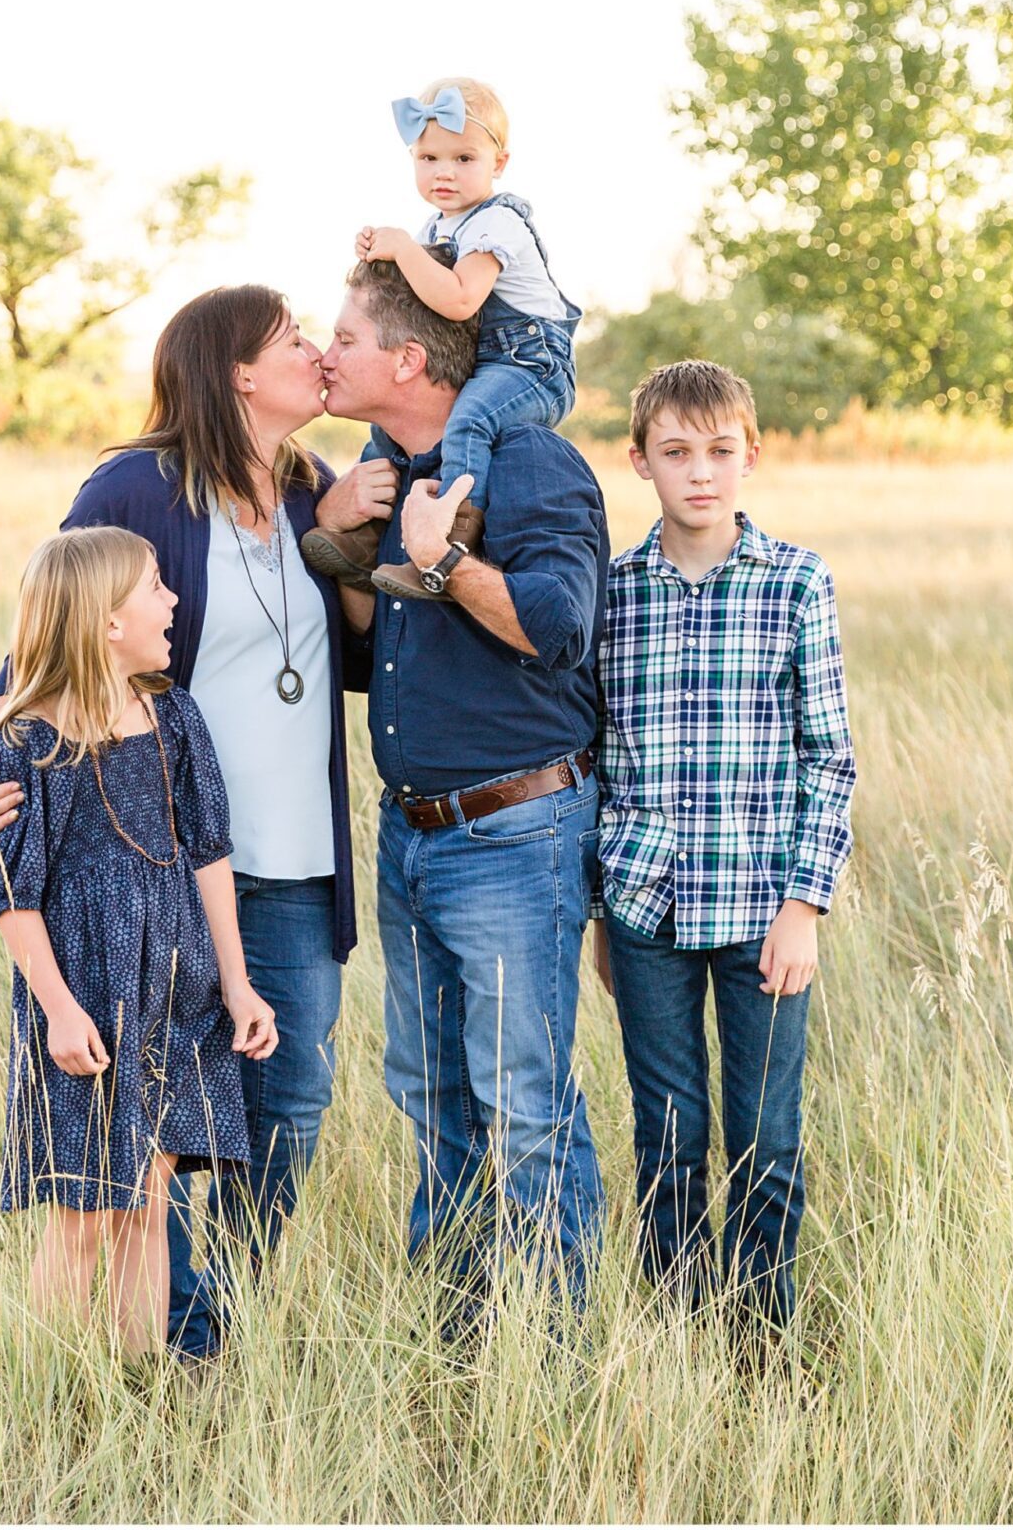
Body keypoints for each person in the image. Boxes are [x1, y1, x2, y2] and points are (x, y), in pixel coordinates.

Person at [0, 286, 391, 1360]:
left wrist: (348, 549)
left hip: (287, 852)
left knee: (290, 1094)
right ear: (238, 370)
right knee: (155, 1114)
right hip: (152, 864)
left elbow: (354, 662)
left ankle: (217, 1309)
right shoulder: (139, 485)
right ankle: (173, 1336)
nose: (314, 352)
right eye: (294, 337)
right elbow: (46, 635)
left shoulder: (311, 491)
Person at [316, 255, 609, 1327]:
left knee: (524, 1100)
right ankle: (452, 1329)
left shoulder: (529, 463)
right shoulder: (383, 463)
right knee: (429, 1091)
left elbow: (553, 626)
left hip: (513, 828)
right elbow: (372, 660)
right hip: (411, 833)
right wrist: (351, 555)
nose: (324, 353)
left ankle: (558, 1347)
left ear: (405, 355)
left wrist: (439, 561)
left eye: (341, 336)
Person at [590, 359, 856, 1341]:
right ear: (639, 461)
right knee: (667, 1132)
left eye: (719, 450)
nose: (699, 472)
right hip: (646, 906)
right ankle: (671, 1326)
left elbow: (828, 756)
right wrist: (600, 915)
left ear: (751, 454)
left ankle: (761, 1332)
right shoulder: (612, 591)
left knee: (765, 1135)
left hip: (762, 911)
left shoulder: (795, 580)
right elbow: (597, 761)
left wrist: (804, 907)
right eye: (675, 452)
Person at [0, 524, 277, 1358]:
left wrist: (238, 984)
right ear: (107, 620)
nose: (172, 599)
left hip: (176, 982)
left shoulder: (173, 715)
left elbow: (210, 854)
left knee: (148, 1197)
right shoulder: (28, 737)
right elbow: (10, 897)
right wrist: (61, 1014)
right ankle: (50, 1386)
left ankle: (137, 1385)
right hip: (84, 994)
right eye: (154, 586)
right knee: (82, 1208)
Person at [303, 77, 580, 601]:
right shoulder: (439, 226)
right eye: (429, 158)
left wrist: (404, 249)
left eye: (463, 158)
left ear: (498, 164)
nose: (444, 172)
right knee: (384, 437)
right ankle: (367, 538)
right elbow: (416, 298)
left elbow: (458, 300)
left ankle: (451, 546)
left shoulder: (498, 222)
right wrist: (383, 254)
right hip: (487, 360)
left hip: (531, 364)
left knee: (469, 421)